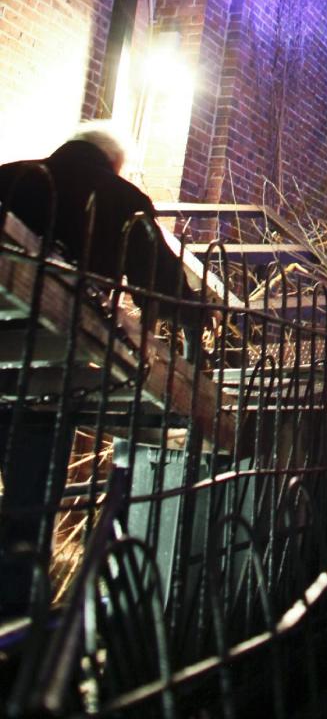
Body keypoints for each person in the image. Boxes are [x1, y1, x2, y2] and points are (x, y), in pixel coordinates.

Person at [0, 123, 186, 614]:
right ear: (113, 162)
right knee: (29, 506)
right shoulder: (120, 197)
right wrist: (174, 329)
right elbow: (163, 286)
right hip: (47, 370)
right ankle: (17, 635)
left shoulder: (13, 177)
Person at [0, 122, 185, 311]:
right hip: (72, 316)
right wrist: (193, 312)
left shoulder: (8, 174)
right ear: (113, 160)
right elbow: (158, 279)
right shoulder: (125, 197)